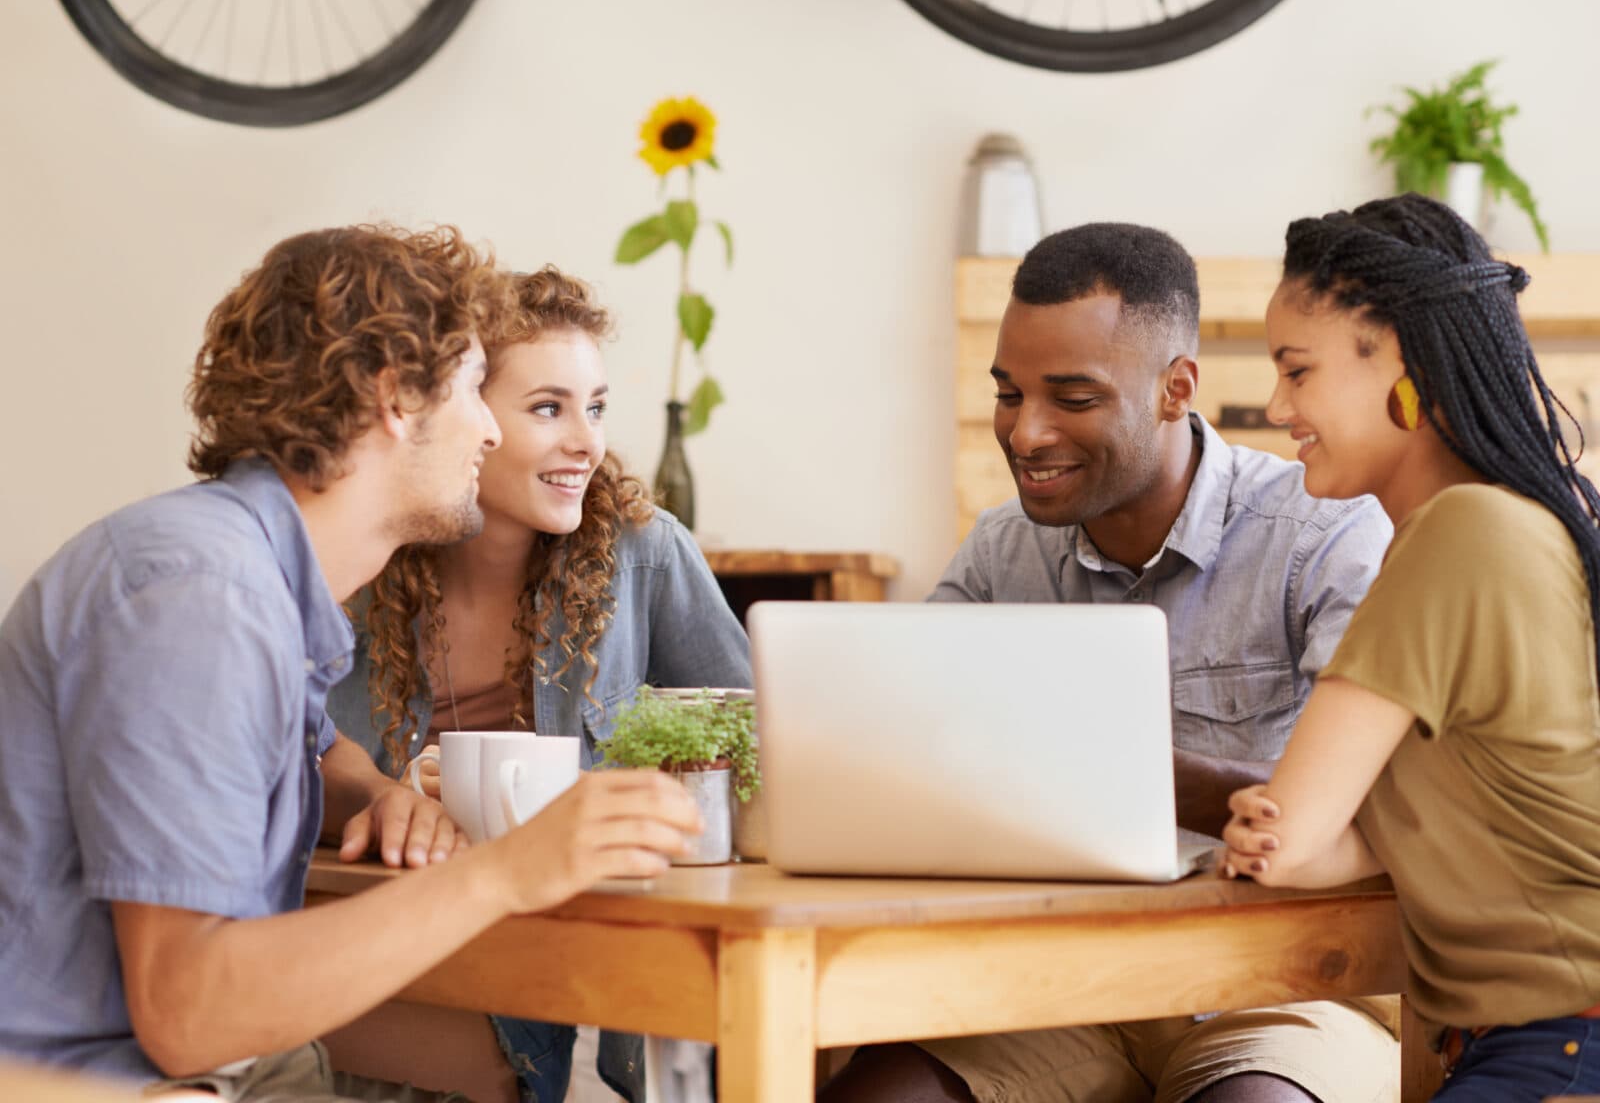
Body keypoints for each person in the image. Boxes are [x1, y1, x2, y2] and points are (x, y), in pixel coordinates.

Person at [0, 226, 702, 1102]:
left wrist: (376, 792)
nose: (489, 430)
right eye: (473, 388)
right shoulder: (199, 599)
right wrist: (509, 870)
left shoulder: (250, 580)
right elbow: (188, 1015)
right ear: (393, 398)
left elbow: (310, 748)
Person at [820, 222, 1397, 1103]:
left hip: (1283, 989)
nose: (1026, 432)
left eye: (1073, 398)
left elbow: (1365, 813)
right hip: (1064, 995)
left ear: (1176, 388)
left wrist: (1122, 776)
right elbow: (907, 746)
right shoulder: (1001, 553)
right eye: (1009, 393)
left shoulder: (1324, 537)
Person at [322, 266, 750, 1103]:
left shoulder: (643, 550)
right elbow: (291, 750)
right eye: (547, 408)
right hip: (392, 937)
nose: (587, 442)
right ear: (467, 417)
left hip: (586, 960)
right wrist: (387, 795)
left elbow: (753, 735)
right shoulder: (360, 556)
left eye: (594, 408)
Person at [1221, 194, 1600, 1100]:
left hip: (1564, 1044)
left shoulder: (1462, 532)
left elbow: (1300, 828)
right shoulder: (1520, 521)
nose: (1277, 406)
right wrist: (1274, 832)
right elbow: (1339, 846)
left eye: (1297, 371)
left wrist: (1281, 825)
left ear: (1400, 363)